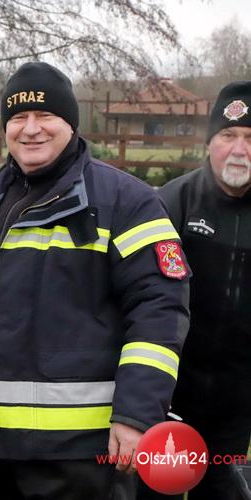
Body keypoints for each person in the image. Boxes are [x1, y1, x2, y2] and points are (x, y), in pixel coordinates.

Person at [0, 62, 190, 499]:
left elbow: (160, 311)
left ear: (71, 124)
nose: (30, 129)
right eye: (18, 117)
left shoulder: (126, 202)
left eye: (45, 116)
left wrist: (136, 414)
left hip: (81, 450)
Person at [137, 81, 251, 499]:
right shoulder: (171, 203)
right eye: (228, 135)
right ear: (208, 144)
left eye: (250, 138)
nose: (239, 150)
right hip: (167, 394)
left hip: (236, 403)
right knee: (156, 490)